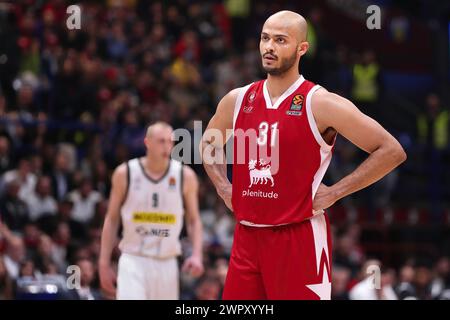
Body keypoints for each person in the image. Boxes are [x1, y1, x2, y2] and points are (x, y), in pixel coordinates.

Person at [200, 10, 406, 300]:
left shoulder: (320, 103)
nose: (269, 47)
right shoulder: (237, 99)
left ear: (302, 49)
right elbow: (209, 142)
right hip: (246, 238)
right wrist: (223, 186)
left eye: (280, 40)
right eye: (265, 38)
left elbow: (391, 150)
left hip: (297, 238)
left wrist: (335, 192)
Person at [99, 121, 204, 300]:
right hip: (133, 259)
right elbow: (112, 218)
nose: (166, 146)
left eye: (170, 142)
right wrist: (103, 262)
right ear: (147, 143)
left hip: (167, 262)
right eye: (161, 141)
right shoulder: (125, 173)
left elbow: (193, 220)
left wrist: (196, 254)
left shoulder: (185, 176)